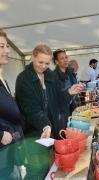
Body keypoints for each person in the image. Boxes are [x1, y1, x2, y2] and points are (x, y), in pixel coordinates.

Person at [15, 44, 83, 179]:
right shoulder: (23, 79)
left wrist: (69, 92)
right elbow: (31, 109)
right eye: (40, 62)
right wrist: (45, 124)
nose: (43, 66)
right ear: (32, 58)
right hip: (33, 133)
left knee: (50, 167)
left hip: (50, 131)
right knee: (36, 171)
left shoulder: (50, 75)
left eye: (47, 63)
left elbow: (58, 97)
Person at [0, 31, 24, 179]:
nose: (7, 50)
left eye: (7, 46)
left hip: (9, 153)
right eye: (1, 46)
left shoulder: (2, 78)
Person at [53, 49, 80, 117]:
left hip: (73, 106)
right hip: (62, 111)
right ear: (56, 62)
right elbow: (56, 96)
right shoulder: (54, 76)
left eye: (66, 57)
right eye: (62, 58)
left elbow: (74, 86)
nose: (65, 60)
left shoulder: (70, 72)